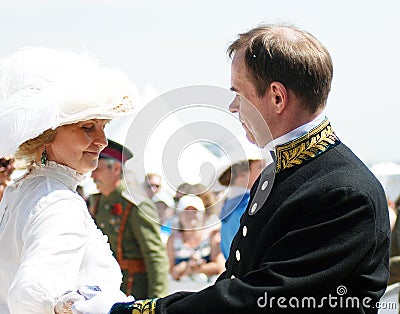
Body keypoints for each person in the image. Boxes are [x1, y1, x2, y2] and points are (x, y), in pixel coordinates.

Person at [73, 23, 390, 314]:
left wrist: (133, 312)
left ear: (277, 97)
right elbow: (235, 281)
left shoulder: (343, 193)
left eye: (238, 93)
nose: (233, 107)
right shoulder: (282, 172)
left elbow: (259, 298)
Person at [0, 47, 136, 313]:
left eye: (103, 127)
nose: (102, 141)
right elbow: (31, 291)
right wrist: (69, 305)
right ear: (46, 134)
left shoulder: (24, 189)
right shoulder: (58, 200)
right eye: (87, 128)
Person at [90, 139, 169, 299]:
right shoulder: (98, 201)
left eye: (97, 168)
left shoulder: (135, 203)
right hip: (107, 288)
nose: (92, 175)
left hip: (134, 291)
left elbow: (155, 255)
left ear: (116, 168)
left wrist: (156, 301)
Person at [166, 195, 225, 281]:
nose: (191, 215)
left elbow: (220, 267)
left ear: (202, 214)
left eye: (195, 211)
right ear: (179, 215)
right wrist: (187, 265)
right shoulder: (172, 240)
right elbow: (171, 272)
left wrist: (197, 267)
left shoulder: (211, 237)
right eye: (186, 211)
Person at [218, 158, 264, 259]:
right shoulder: (250, 203)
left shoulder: (227, 204)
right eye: (260, 167)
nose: (265, 170)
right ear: (242, 176)